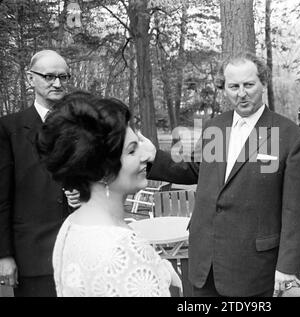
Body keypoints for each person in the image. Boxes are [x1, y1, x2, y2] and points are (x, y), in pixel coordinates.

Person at [142, 52, 300, 297]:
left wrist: (288, 267)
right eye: (233, 86)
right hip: (205, 264)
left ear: (263, 84)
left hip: (253, 269)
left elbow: (297, 209)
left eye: (248, 85)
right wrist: (155, 157)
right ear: (225, 88)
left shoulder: (290, 136)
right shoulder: (215, 128)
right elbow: (196, 168)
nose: (241, 93)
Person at [36, 91, 181, 297]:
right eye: (132, 150)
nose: (146, 155)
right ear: (102, 169)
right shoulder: (123, 252)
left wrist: (161, 272)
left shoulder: (74, 224)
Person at [0, 50, 76, 296]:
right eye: (49, 76)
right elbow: (2, 196)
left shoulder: (81, 124)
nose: (57, 83)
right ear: (30, 78)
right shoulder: (9, 128)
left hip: (79, 251)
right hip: (33, 257)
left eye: (63, 77)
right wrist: (4, 255)